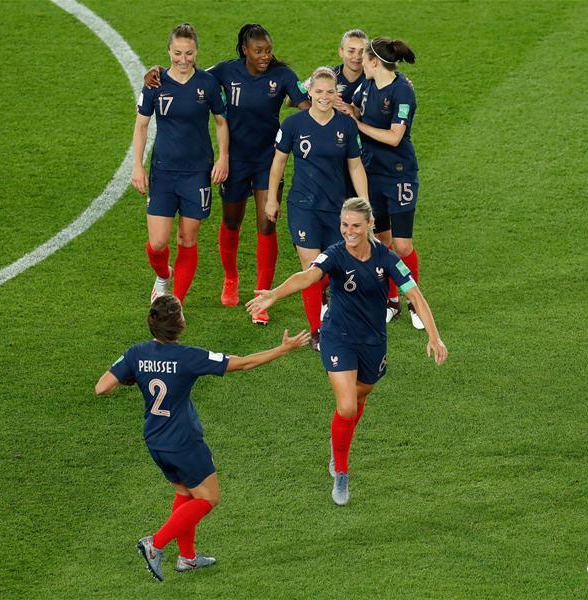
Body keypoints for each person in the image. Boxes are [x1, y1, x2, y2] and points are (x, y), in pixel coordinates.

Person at [247, 198, 448, 505]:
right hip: (337, 337)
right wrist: (274, 293)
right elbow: (308, 276)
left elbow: (416, 296)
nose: (349, 232)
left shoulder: (387, 258)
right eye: (344, 225)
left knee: (360, 397)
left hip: (373, 341)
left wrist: (435, 337)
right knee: (347, 406)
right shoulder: (335, 254)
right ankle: (341, 471)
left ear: (370, 226)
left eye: (355, 225)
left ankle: (338, 440)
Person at [95, 295, 310, 581]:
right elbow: (242, 364)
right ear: (180, 324)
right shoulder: (189, 357)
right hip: (183, 440)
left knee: (185, 492)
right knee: (209, 498)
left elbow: (102, 388)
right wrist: (282, 349)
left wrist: (134, 376)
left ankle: (187, 558)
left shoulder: (136, 354)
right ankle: (155, 544)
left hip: (155, 440)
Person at [144, 24, 310, 324]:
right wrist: (156, 70)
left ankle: (261, 297)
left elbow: (306, 105)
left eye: (268, 50)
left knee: (267, 223)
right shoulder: (224, 72)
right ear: (244, 50)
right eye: (258, 51)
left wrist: (317, 101)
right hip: (234, 161)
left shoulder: (282, 75)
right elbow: (187, 72)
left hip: (268, 161)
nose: (265, 56)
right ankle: (230, 278)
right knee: (231, 220)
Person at [265, 67, 369, 351]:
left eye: (330, 92)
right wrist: (272, 199)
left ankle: (331, 309)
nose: (324, 97)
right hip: (303, 207)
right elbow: (278, 164)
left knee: (332, 271)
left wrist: (365, 204)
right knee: (311, 270)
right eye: (319, 92)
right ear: (309, 92)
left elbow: (356, 166)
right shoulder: (293, 125)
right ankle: (317, 331)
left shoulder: (346, 126)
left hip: (336, 209)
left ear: (337, 93)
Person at [131, 23, 229, 305]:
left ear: (196, 51)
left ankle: (176, 303)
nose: (183, 60)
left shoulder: (207, 84)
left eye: (188, 53)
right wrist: (137, 165)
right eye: (177, 53)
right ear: (168, 52)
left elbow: (221, 122)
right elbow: (141, 126)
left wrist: (223, 157)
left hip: (197, 173)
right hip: (163, 171)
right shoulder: (154, 83)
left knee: (187, 239)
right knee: (158, 243)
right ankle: (163, 276)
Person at [347, 37, 424, 328]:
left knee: (402, 246)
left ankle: (414, 303)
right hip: (372, 173)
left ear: (375, 62)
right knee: (382, 242)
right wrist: (341, 108)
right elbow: (355, 108)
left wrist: (358, 126)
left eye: (364, 60)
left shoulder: (403, 91)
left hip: (400, 174)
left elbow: (394, 137)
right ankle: (391, 302)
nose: (359, 64)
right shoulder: (366, 85)